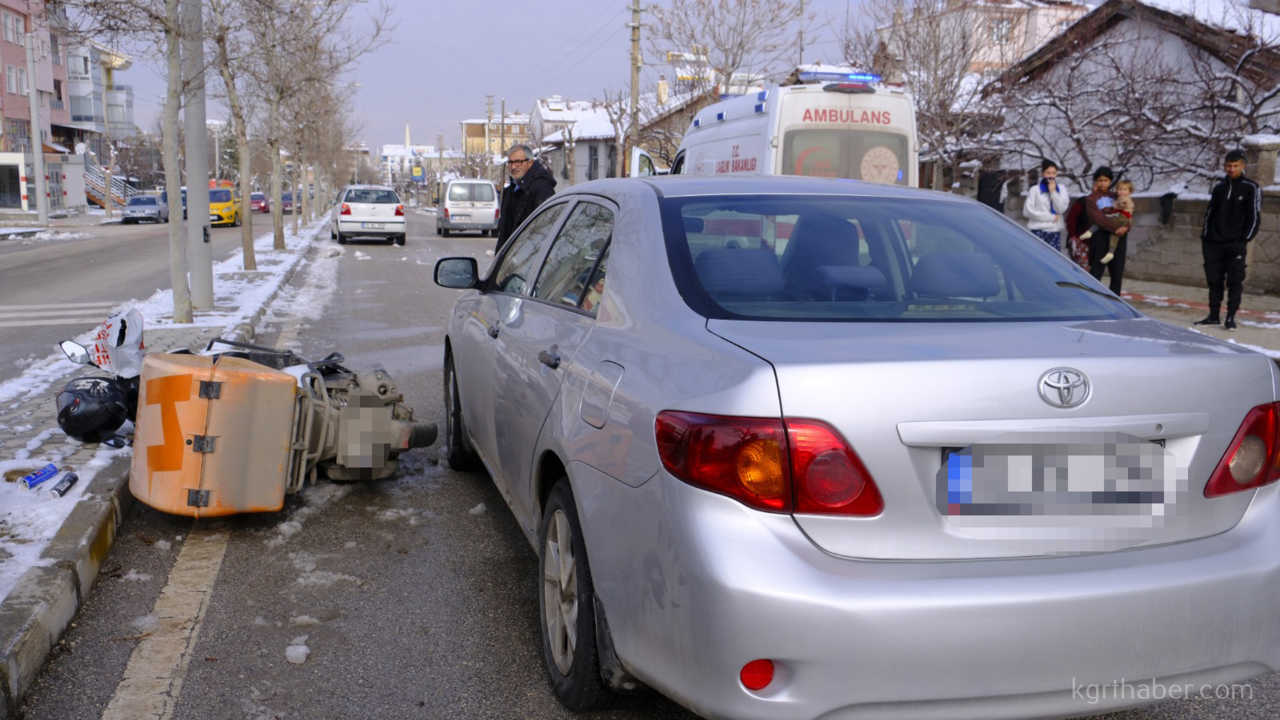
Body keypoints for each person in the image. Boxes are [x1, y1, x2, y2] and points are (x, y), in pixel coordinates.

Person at [1195, 149, 1261, 330]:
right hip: (1213, 243)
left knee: (1235, 281)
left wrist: (1244, 239)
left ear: (1242, 166)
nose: (1231, 169)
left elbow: (1254, 216)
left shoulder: (1251, 187)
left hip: (1235, 243)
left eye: (1235, 166)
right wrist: (1206, 237)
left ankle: (1230, 317)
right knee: (1214, 280)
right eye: (1228, 165)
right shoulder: (1219, 188)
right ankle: (1213, 316)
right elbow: (1209, 213)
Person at [496, 144, 556, 251]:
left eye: (518, 162)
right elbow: (505, 233)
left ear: (530, 162)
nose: (513, 167)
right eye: (510, 162)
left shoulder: (542, 189)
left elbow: (544, 228)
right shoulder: (511, 190)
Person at [1082, 167, 1129, 294]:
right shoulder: (1091, 199)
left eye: (1106, 180)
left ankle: (1115, 300)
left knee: (1117, 273)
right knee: (1096, 272)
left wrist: (1126, 227)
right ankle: (1092, 298)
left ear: (1110, 181)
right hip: (1101, 238)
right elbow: (1098, 219)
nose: (1103, 183)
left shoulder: (1117, 196)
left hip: (1119, 238)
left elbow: (1128, 213)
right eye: (1100, 180)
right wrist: (1116, 228)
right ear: (1096, 181)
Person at [1080, 178, 1134, 265]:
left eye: (1124, 189)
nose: (1121, 192)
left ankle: (1090, 232)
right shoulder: (1117, 197)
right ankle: (1110, 252)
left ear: (1130, 191)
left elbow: (1120, 206)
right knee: (1114, 237)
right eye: (1120, 189)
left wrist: (1111, 208)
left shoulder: (1124, 199)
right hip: (1121, 220)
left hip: (1121, 218)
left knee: (1103, 220)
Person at [1023, 159, 1070, 251]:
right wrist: (1050, 217)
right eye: (1048, 173)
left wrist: (1053, 192)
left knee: (1053, 258)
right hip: (1038, 231)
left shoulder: (1061, 189)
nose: (1051, 176)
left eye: (1054, 173)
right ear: (1043, 174)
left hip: (1054, 231)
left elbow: (1061, 209)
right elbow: (1027, 211)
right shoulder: (1035, 190)